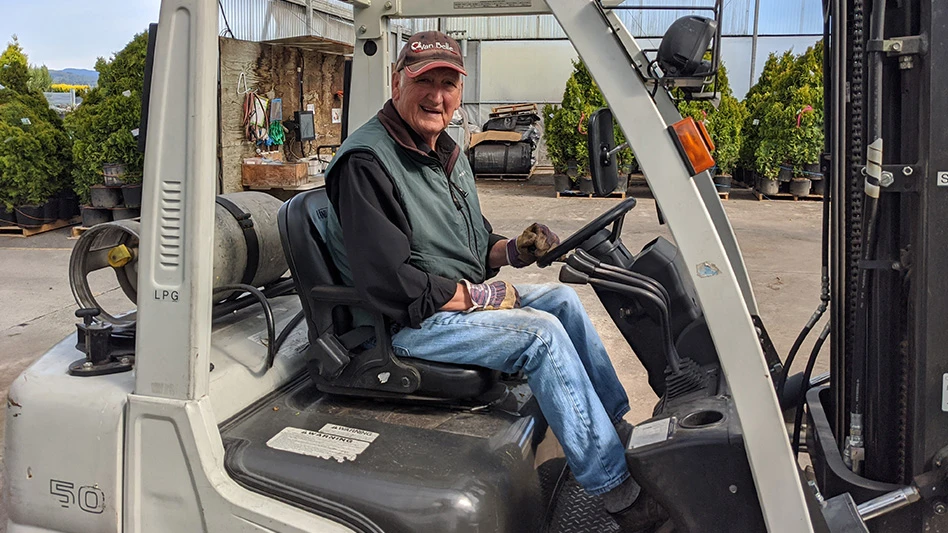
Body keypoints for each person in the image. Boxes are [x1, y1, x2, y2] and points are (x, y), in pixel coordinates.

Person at [323, 31, 665, 530]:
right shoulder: (367, 164)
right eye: (425, 82)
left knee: (563, 300)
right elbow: (391, 284)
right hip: (404, 323)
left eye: (448, 83)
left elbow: (473, 245)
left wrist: (517, 250)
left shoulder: (444, 152)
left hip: (449, 301)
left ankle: (612, 429)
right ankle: (620, 496)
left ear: (460, 92)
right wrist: (478, 296)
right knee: (539, 336)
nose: (437, 96)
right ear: (398, 82)